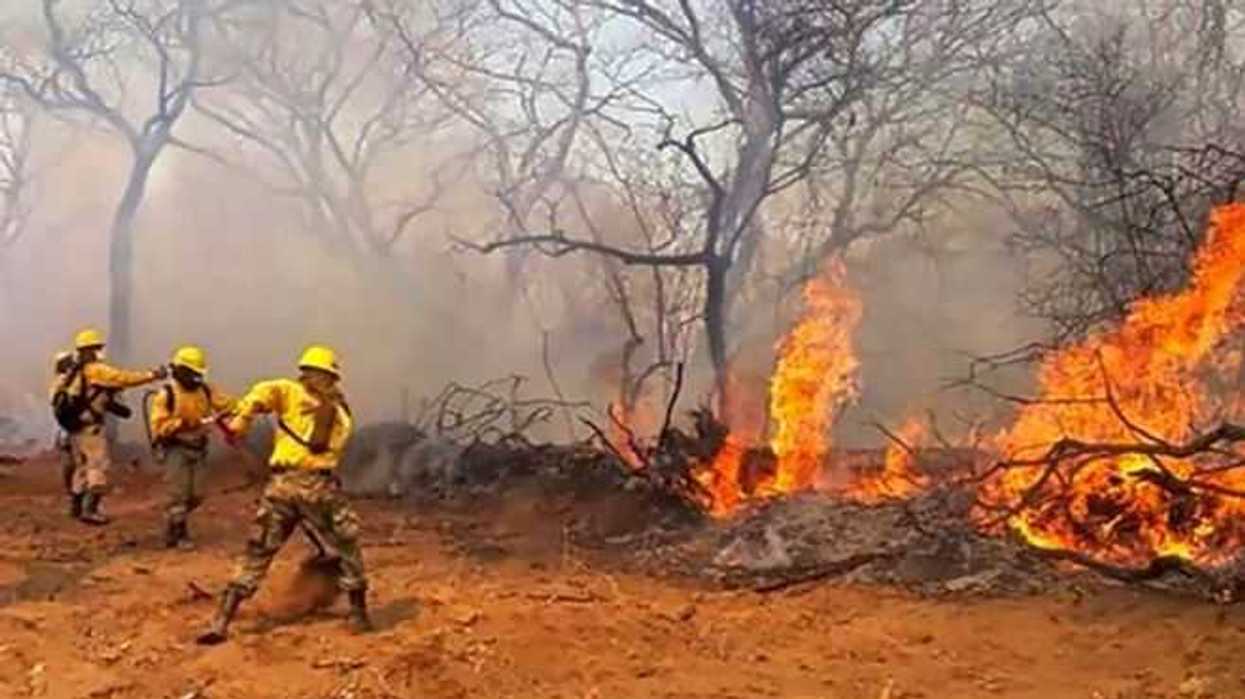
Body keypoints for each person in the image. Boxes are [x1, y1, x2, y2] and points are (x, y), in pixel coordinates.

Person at [197, 345, 371, 645]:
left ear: (305, 371)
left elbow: (257, 396)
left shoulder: (288, 391)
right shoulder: (341, 413)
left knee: (259, 550)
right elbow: (333, 449)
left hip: (282, 487)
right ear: (332, 376)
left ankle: (221, 621)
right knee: (346, 545)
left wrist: (239, 424)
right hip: (319, 488)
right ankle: (359, 615)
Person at [52, 328, 166, 524]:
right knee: (98, 466)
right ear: (89, 350)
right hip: (91, 429)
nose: (99, 351)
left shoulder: (73, 373)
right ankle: (91, 510)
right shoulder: (96, 370)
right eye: (96, 348)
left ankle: (76, 507)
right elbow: (124, 378)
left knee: (81, 467)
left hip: (75, 428)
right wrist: (153, 375)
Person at [146, 346, 234, 550]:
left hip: (199, 448)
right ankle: (178, 532)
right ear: (181, 371)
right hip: (177, 448)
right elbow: (159, 427)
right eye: (192, 373)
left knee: (197, 494)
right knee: (178, 494)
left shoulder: (205, 390)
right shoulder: (167, 394)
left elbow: (227, 404)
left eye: (198, 374)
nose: (196, 378)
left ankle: (176, 520)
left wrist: (247, 407)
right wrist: (183, 423)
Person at [49, 351, 77, 513]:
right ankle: (74, 496)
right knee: (72, 463)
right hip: (67, 427)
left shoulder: (76, 380)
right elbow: (55, 401)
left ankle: (75, 497)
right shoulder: (61, 383)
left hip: (70, 427)